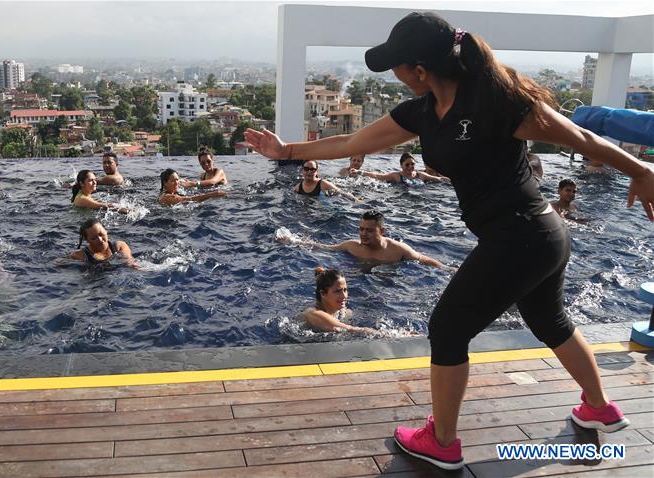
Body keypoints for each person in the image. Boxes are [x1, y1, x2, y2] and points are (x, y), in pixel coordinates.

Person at [244, 11, 653, 470]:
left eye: (398, 67)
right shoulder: (421, 112)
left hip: (522, 234)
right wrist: (288, 152)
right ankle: (599, 409)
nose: (395, 76)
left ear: (420, 70)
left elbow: (580, 137)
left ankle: (441, 442)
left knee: (447, 328)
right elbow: (353, 142)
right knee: (550, 319)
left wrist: (641, 171)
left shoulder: (499, 102)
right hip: (537, 237)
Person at [285, 210, 449, 270]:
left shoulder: (398, 250)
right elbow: (325, 248)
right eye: (361, 229)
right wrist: (292, 241)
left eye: (369, 230)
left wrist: (447, 270)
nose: (363, 234)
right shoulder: (352, 246)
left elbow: (423, 259)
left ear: (382, 231)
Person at [297, 267, 378, 334]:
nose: (344, 296)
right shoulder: (314, 313)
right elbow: (348, 329)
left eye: (345, 290)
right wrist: (382, 334)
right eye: (338, 291)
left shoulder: (343, 311)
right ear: (323, 293)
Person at [67, 219, 138, 268]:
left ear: (106, 231)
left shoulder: (119, 246)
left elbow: (130, 261)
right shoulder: (80, 255)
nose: (100, 240)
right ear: (87, 240)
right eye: (94, 238)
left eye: (101, 234)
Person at [355, 153, 447, 184]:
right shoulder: (397, 176)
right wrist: (360, 172)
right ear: (401, 165)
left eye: (412, 164)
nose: (410, 166)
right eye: (407, 165)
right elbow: (378, 176)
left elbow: (439, 179)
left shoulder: (421, 175)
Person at [293, 161, 360, 201]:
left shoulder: (323, 184)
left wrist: (356, 200)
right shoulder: (297, 188)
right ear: (302, 171)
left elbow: (342, 193)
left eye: (312, 169)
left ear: (316, 172)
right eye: (306, 169)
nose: (309, 171)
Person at [158, 168, 227, 205]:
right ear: (165, 183)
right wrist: (212, 194)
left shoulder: (174, 192)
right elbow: (190, 199)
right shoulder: (167, 197)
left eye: (177, 180)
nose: (176, 183)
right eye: (173, 181)